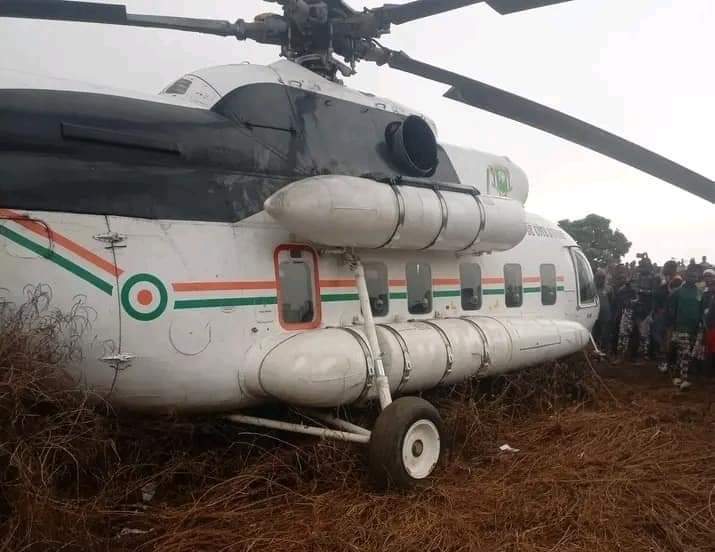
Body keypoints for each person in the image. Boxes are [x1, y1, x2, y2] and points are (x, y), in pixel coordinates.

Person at [667, 265, 702, 390]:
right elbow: (670, 309)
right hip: (681, 327)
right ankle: (685, 379)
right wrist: (673, 325)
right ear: (686, 276)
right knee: (686, 353)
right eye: (691, 275)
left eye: (695, 275)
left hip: (695, 329)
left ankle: (677, 377)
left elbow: (701, 309)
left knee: (683, 354)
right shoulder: (678, 292)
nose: (693, 277)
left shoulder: (699, 292)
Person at [653, 260, 678, 372]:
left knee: (668, 340)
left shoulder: (677, 282)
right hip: (662, 315)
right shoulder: (663, 283)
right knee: (662, 339)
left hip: (670, 315)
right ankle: (666, 362)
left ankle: (668, 363)